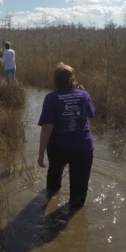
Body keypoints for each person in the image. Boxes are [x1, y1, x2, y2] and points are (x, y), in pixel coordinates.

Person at [37, 63, 95, 209]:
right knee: (79, 192)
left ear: (55, 79)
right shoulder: (83, 94)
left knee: (53, 184)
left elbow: (46, 129)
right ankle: (74, 222)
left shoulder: (51, 98)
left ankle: (50, 209)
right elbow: (91, 114)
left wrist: (41, 154)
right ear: (72, 79)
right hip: (83, 147)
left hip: (58, 147)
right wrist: (85, 94)